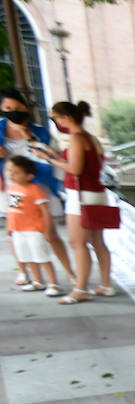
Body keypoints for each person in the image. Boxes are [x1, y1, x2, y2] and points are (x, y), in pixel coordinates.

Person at [40, 101, 116, 303]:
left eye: (56, 118)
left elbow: (75, 169)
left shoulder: (76, 138)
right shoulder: (90, 138)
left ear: (66, 117)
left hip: (80, 195)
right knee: (97, 241)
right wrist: (55, 156)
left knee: (78, 242)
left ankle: (81, 288)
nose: (56, 122)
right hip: (96, 193)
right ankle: (105, 284)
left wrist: (49, 159)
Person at [2, 88, 73, 283]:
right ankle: (25, 272)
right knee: (15, 230)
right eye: (8, 108)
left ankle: (69, 272)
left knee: (49, 231)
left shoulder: (39, 131)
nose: (13, 111)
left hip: (39, 185)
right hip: (12, 188)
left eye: (17, 107)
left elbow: (51, 155)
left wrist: (28, 136)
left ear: (25, 107)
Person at [5, 155, 60, 295]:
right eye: (10, 171)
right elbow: (13, 210)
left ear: (29, 176)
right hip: (18, 230)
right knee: (27, 256)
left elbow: (45, 211)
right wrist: (9, 226)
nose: (12, 175)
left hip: (34, 230)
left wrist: (47, 230)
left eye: (16, 172)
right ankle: (38, 281)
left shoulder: (35, 190)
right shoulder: (12, 188)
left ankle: (53, 283)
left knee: (42, 257)